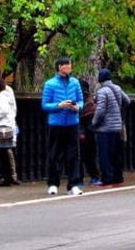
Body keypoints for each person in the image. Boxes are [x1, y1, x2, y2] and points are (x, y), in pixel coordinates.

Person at [41, 56, 85, 195]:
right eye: (66, 65)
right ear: (60, 67)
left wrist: (78, 107)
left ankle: (74, 184)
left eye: (70, 65)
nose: (69, 68)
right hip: (56, 124)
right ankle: (53, 183)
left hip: (72, 123)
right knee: (54, 155)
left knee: (74, 155)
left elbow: (81, 100)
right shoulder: (50, 84)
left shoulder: (75, 82)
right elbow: (44, 105)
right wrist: (58, 105)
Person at [92, 68, 130, 186]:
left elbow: (100, 110)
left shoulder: (102, 91)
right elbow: (127, 100)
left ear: (100, 79)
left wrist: (94, 122)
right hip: (117, 127)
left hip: (105, 128)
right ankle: (118, 177)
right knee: (116, 154)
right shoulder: (117, 88)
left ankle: (107, 179)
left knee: (105, 155)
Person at [79, 80, 100, 185]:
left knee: (83, 156)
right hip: (89, 132)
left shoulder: (81, 102)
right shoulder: (91, 102)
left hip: (84, 132)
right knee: (90, 155)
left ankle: (81, 177)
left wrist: (82, 132)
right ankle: (94, 176)